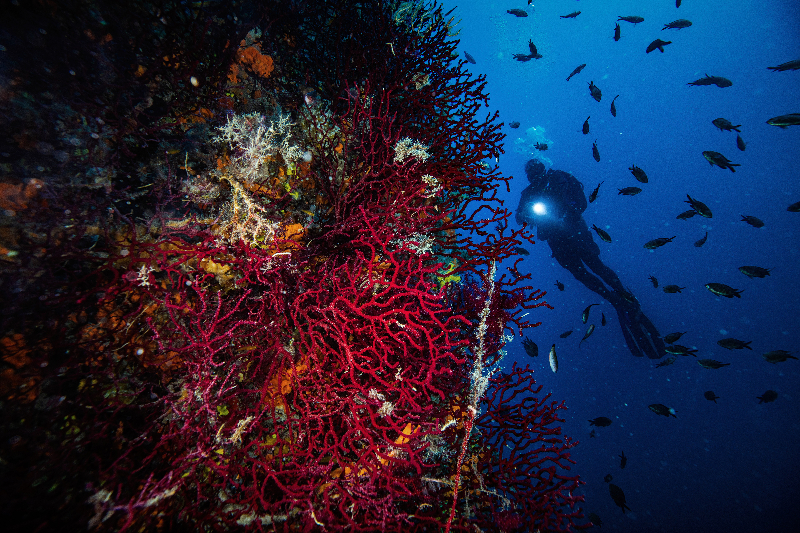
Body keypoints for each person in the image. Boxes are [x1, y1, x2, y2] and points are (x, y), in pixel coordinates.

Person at [516, 159, 665, 359]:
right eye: (530, 172)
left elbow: (581, 199)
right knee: (581, 274)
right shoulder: (529, 193)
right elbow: (519, 217)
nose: (534, 174)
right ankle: (613, 298)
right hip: (557, 241)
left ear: (543, 167)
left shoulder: (559, 177)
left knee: (595, 266)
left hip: (574, 231)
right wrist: (529, 213)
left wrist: (570, 211)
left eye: (536, 169)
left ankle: (621, 293)